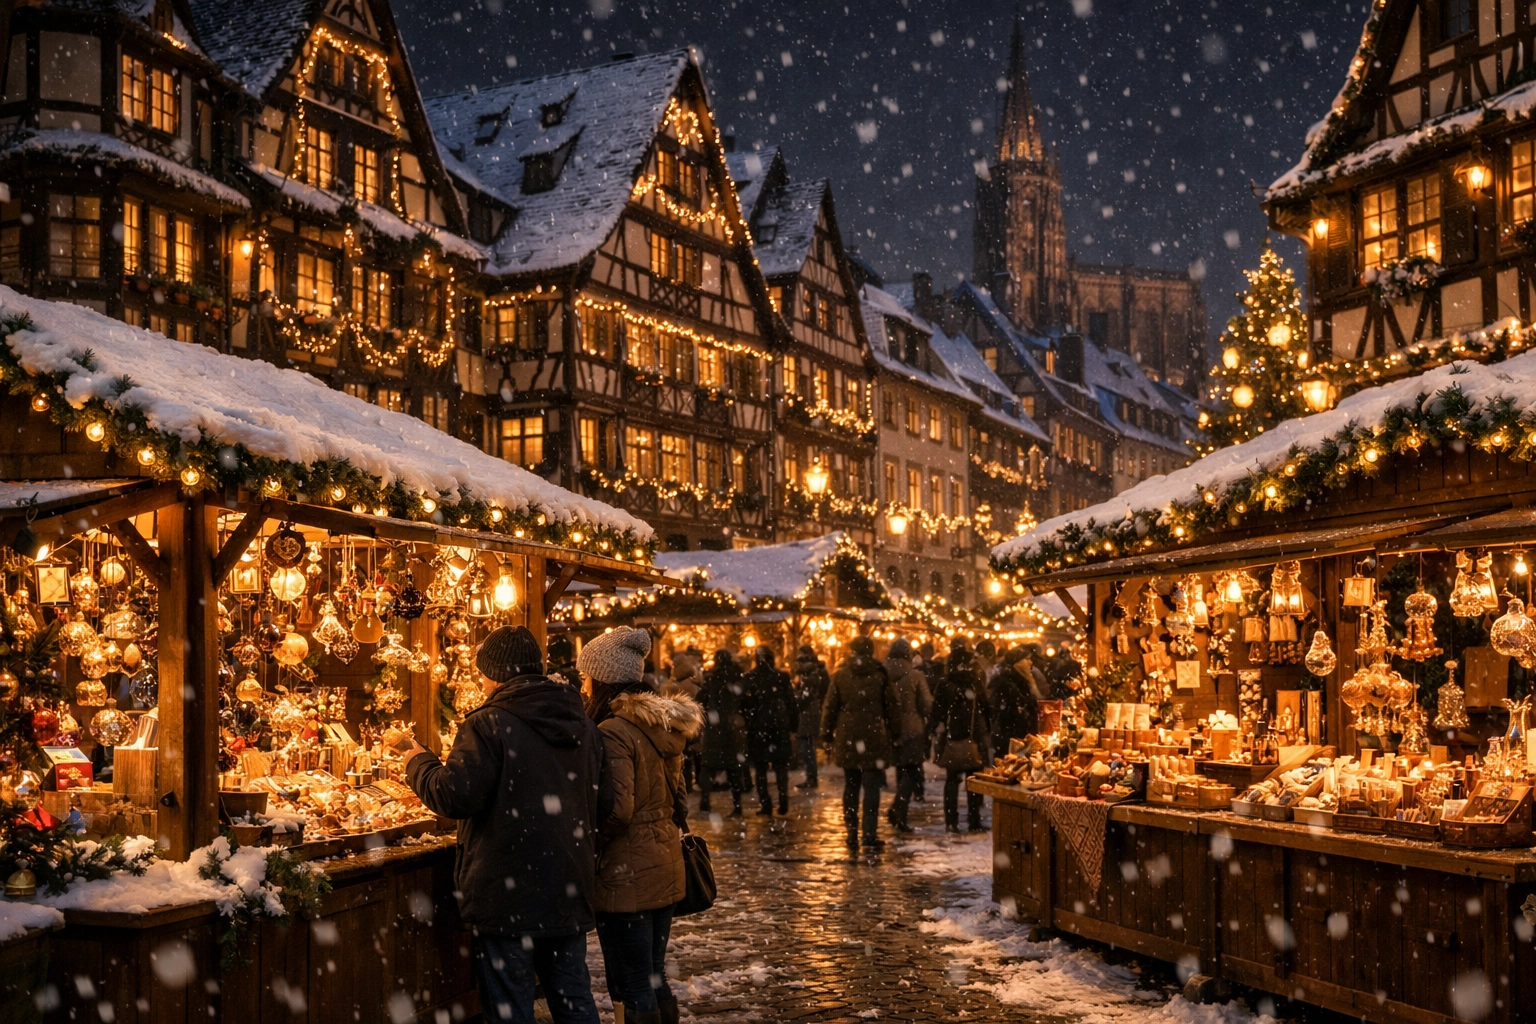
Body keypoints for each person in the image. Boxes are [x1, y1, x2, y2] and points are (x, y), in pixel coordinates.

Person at [391, 626, 604, 1024]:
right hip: (567, 884)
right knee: (573, 998)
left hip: (509, 892)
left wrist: (417, 760)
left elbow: (453, 796)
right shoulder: (583, 724)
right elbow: (599, 800)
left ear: (493, 673)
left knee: (511, 1007)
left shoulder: (488, 724)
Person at [580, 627, 702, 1024]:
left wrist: (590, 844)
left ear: (602, 679)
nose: (582, 685)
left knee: (632, 984)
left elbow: (619, 809)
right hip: (663, 864)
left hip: (626, 872)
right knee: (653, 977)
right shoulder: (662, 725)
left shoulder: (613, 732)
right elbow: (679, 802)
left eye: (586, 676)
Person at [821, 636, 900, 850]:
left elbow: (830, 707)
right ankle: (869, 833)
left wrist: (827, 734)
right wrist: (896, 733)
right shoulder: (879, 676)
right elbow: (891, 707)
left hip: (848, 735)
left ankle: (851, 833)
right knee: (871, 787)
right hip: (873, 735)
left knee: (851, 785)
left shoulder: (840, 676)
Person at [929, 641, 992, 834]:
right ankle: (973, 820)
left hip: (953, 736)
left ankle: (951, 821)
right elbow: (987, 708)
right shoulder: (975, 682)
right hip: (974, 736)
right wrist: (986, 730)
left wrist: (934, 727)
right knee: (973, 781)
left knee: (952, 780)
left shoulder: (945, 683)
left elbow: (937, 709)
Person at [741, 646, 798, 816]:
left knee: (761, 770)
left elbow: (745, 705)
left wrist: (749, 722)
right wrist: (793, 727)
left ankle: (766, 804)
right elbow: (791, 703)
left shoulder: (750, 678)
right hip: (779, 727)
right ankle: (783, 800)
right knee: (781, 768)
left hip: (759, 728)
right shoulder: (781, 677)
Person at [883, 639, 932, 834]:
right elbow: (927, 704)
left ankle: (900, 816)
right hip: (913, 729)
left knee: (901, 771)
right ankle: (898, 809)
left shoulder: (884, 675)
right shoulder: (916, 675)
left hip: (891, 729)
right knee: (912, 772)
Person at [697, 649, 748, 816]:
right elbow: (745, 701)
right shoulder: (737, 678)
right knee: (733, 767)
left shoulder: (711, 678)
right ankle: (737, 804)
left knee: (707, 765)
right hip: (732, 728)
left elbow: (700, 699)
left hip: (714, 727)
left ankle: (705, 801)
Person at [662, 646, 704, 792]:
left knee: (682, 755)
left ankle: (686, 783)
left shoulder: (671, 686)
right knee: (696, 753)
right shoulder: (695, 685)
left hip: (676, 725)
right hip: (694, 723)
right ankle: (699, 779)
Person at [792, 645, 829, 789]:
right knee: (807, 746)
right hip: (811, 711)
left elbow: (805, 696)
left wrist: (798, 701)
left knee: (806, 746)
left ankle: (811, 777)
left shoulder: (809, 674)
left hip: (808, 712)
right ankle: (811, 777)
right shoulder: (816, 672)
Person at [990, 647, 1039, 754]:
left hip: (1020, 740)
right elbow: (1010, 714)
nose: (1030, 662)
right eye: (1026, 659)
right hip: (1012, 741)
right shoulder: (1006, 683)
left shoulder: (1021, 681)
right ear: (1016, 662)